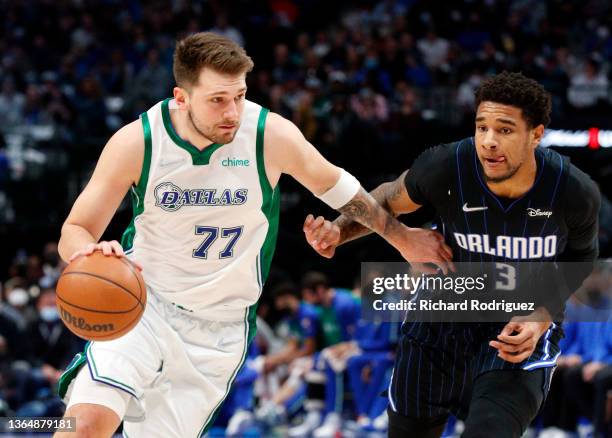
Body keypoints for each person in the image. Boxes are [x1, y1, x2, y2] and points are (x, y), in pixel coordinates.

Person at [53, 32, 452, 438]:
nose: (232, 112)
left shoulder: (268, 134)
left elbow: (340, 187)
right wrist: (89, 252)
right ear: (182, 97)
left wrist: (402, 238)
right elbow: (75, 229)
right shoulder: (138, 141)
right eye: (217, 100)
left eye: (239, 96)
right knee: (83, 427)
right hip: (143, 306)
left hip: (218, 328)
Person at [303, 71, 601, 438]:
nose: (489, 141)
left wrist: (541, 316)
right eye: (482, 127)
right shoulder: (446, 166)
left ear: (536, 135)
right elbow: (387, 198)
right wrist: (339, 230)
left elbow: (581, 259)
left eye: (505, 130)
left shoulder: (573, 191)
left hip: (516, 327)